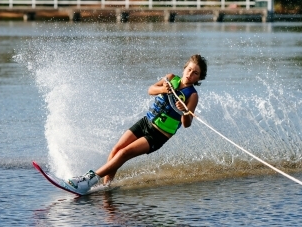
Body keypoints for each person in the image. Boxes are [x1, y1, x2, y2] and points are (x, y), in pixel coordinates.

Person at [66, 54, 207, 194]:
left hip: (159, 134)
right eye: (189, 69)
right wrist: (163, 89)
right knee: (116, 149)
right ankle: (106, 187)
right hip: (145, 122)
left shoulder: (192, 95)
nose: (190, 74)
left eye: (195, 73)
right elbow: (151, 89)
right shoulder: (170, 78)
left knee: (124, 153)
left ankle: (88, 180)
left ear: (199, 78)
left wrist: (184, 111)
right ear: (184, 68)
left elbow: (187, 124)